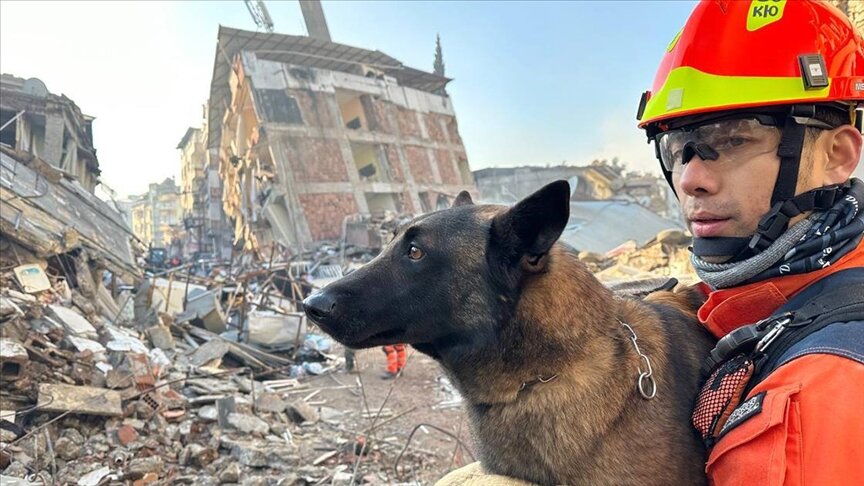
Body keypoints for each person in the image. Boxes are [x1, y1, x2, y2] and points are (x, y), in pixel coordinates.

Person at [438, 1, 864, 484]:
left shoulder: (818, 396)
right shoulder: (767, 297)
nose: (692, 179)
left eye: (734, 139)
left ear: (836, 155)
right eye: (678, 148)